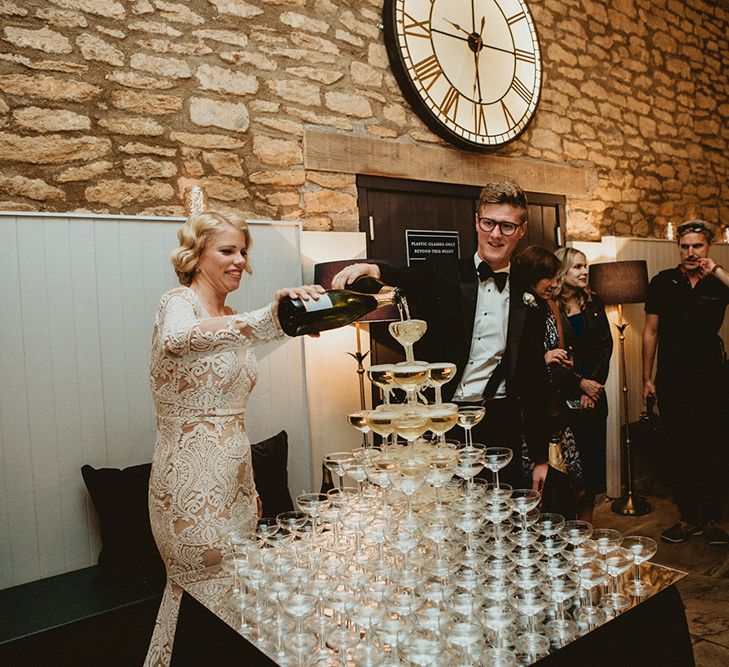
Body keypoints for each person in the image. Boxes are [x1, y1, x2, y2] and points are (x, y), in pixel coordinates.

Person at [145, 210, 323, 666]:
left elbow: (233, 417)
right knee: (203, 601)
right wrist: (269, 318)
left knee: (238, 603)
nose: (240, 260)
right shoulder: (177, 303)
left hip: (236, 486)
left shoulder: (229, 316)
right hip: (189, 489)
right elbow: (178, 341)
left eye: (243, 251)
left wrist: (250, 486)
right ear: (196, 256)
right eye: (227, 250)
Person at [331, 182, 552, 490]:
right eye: (488, 223)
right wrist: (374, 269)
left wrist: (541, 457)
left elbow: (534, 381)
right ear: (477, 222)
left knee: (498, 518)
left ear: (522, 229)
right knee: (441, 513)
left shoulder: (530, 299)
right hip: (441, 419)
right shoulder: (444, 272)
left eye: (507, 226)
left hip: (500, 424)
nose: (496, 234)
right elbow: (407, 276)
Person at [642, 220, 729, 546]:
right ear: (678, 248)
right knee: (680, 448)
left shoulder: (718, 283)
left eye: (698, 246)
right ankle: (688, 517)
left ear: (709, 247)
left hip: (712, 377)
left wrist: (716, 270)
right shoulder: (664, 282)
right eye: (685, 246)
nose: (691, 252)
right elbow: (650, 331)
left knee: (714, 446)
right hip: (673, 377)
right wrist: (646, 377)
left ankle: (712, 520)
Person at [513, 246, 583, 515]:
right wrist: (541, 361)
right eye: (550, 278)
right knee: (538, 494)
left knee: (569, 487)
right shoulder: (522, 309)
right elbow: (520, 370)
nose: (555, 284)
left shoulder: (545, 305)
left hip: (553, 409)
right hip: (530, 416)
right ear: (531, 276)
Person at [553, 247, 613, 522]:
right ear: (562, 271)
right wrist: (580, 384)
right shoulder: (549, 307)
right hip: (562, 400)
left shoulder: (594, 302)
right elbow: (551, 355)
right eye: (577, 267)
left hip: (594, 399)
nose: (584, 271)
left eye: (585, 266)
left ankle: (586, 532)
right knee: (568, 474)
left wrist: (594, 386)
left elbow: (606, 347)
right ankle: (567, 534)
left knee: (590, 473)